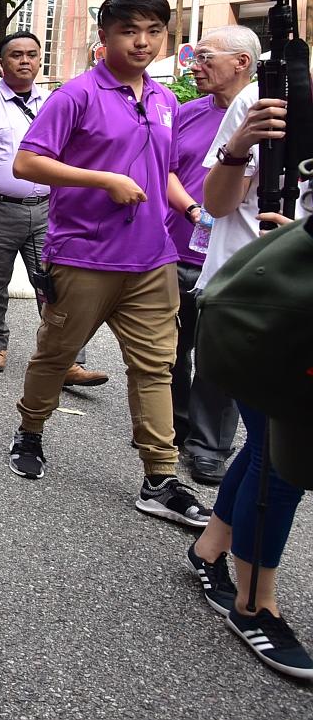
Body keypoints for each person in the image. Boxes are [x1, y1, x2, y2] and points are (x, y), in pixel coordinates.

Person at [7, 0, 208, 528]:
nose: (141, 43)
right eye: (128, 31)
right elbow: (27, 164)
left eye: (153, 32)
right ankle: (30, 431)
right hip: (84, 256)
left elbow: (160, 171)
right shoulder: (74, 95)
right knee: (56, 353)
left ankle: (160, 476)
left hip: (152, 259)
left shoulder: (166, 100)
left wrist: (190, 210)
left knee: (155, 367)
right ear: (105, 36)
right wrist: (103, 180)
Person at [186, 63, 311, 679]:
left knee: (265, 446)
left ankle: (211, 548)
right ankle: (254, 603)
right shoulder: (273, 99)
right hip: (260, 302)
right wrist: (236, 150)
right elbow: (216, 202)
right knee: (282, 460)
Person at [0, 31, 107, 384]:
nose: (24, 61)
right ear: (1, 63)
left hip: (47, 207)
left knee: (56, 283)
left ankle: (66, 360)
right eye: (16, 55)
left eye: (32, 55)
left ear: (40, 61)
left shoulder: (55, 100)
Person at [168, 26, 258, 485]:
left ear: (241, 63)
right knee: (170, 349)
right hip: (174, 246)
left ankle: (209, 446)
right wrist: (191, 209)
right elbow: (161, 169)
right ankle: (175, 423)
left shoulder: (266, 117)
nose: (194, 66)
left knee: (216, 356)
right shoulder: (184, 113)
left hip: (230, 261)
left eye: (205, 57)